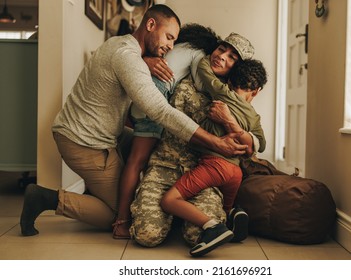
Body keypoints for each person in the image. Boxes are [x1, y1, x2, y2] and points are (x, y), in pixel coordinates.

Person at [19, 5, 247, 237]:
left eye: (174, 41)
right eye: (168, 38)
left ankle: (142, 195)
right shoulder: (127, 57)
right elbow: (160, 110)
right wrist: (215, 142)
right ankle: (45, 198)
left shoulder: (121, 44)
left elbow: (129, 65)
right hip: (85, 143)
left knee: (152, 150)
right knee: (121, 212)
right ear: (150, 25)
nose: (170, 47)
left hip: (103, 133)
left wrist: (146, 60)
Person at [130, 33, 265, 254]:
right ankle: (171, 218)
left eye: (231, 57)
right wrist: (148, 60)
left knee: (197, 235)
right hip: (165, 165)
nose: (222, 57)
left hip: (202, 172)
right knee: (147, 235)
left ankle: (188, 218)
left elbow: (255, 143)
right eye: (221, 49)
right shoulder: (182, 78)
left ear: (238, 69)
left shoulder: (235, 98)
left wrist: (230, 122)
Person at [113, 23, 222, 239]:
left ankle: (133, 214)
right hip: (154, 102)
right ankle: (122, 221)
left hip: (138, 99)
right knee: (137, 162)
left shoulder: (178, 47)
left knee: (135, 161)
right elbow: (201, 83)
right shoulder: (199, 54)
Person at [160, 55, 268, 257]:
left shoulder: (222, 92)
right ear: (256, 91)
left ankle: (212, 227)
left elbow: (202, 67)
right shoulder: (254, 116)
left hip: (214, 166)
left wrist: (210, 52)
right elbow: (260, 144)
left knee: (169, 200)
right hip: (235, 173)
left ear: (229, 80)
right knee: (224, 210)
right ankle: (233, 215)